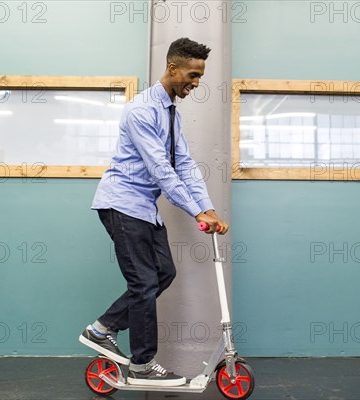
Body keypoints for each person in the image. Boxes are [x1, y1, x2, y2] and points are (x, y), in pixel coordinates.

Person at [79, 37, 228, 387]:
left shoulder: (170, 112)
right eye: (192, 75)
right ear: (172, 68)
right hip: (122, 203)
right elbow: (162, 170)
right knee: (143, 281)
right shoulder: (142, 110)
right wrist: (195, 213)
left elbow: (185, 165)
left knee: (163, 273)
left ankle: (101, 328)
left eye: (200, 77)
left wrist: (207, 207)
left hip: (145, 208)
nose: (196, 83)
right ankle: (142, 365)